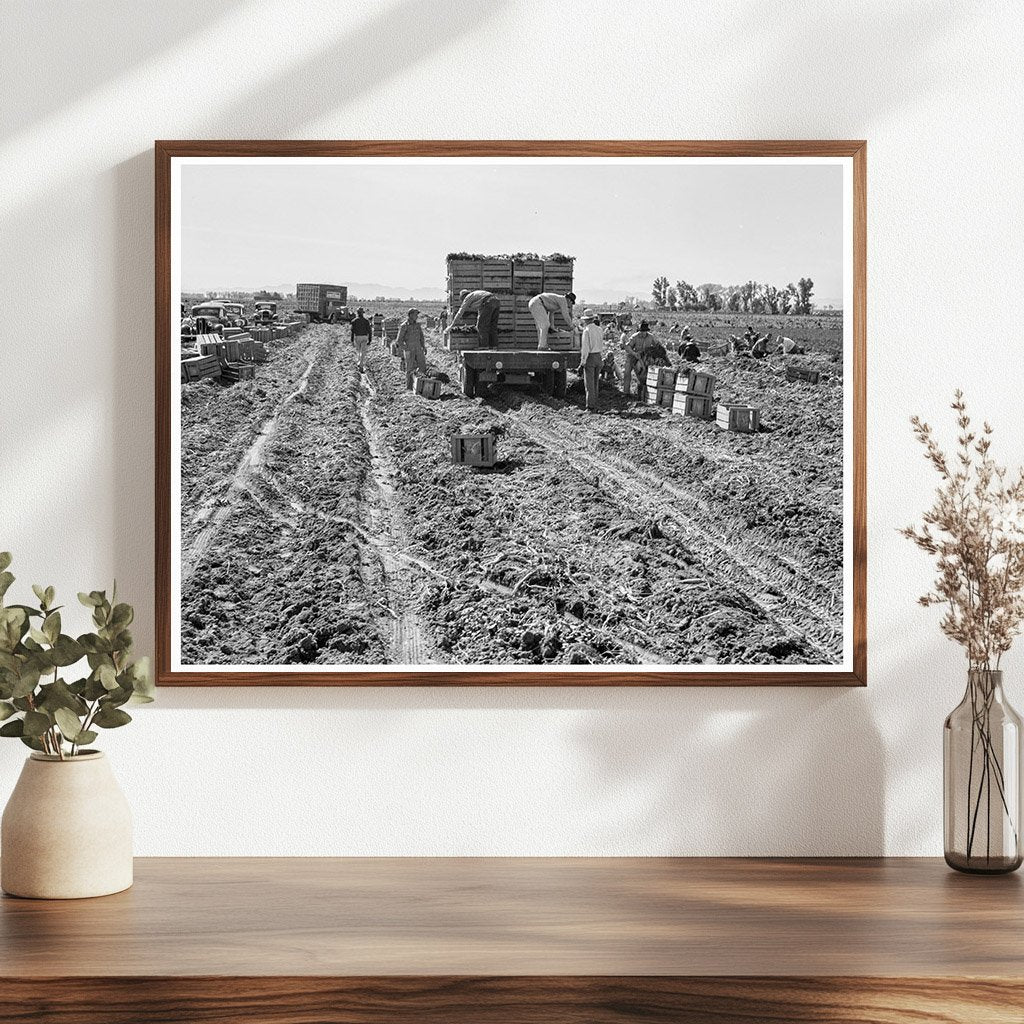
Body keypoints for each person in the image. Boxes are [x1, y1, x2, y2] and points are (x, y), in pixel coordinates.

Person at [577, 310, 605, 411]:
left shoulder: (587, 331)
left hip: (590, 357)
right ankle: (595, 404)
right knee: (595, 383)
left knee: (589, 384)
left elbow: (585, 348)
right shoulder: (599, 329)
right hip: (599, 356)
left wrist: (582, 362)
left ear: (585, 320)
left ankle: (590, 406)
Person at [624, 321, 655, 401]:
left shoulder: (651, 337)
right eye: (641, 331)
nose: (643, 333)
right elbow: (628, 347)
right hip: (632, 356)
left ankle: (641, 393)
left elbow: (657, 346)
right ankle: (626, 393)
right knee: (627, 373)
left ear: (647, 331)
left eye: (644, 331)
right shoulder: (635, 336)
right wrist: (634, 353)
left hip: (643, 357)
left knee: (642, 375)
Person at [397, 308, 426, 389]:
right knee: (410, 368)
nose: (417, 316)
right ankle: (409, 387)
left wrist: (423, 346)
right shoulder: (404, 326)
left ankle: (420, 386)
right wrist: (406, 349)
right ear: (410, 315)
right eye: (415, 314)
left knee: (422, 366)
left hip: (418, 349)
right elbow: (399, 340)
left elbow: (421, 336)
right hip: (409, 349)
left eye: (417, 314)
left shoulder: (417, 325)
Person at [350, 307, 371, 371]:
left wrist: (352, 340)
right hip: (364, 337)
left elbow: (352, 331)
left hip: (357, 337)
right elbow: (369, 331)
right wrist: (370, 339)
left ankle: (359, 362)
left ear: (357, 313)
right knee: (363, 351)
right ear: (362, 313)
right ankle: (361, 365)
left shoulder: (354, 321)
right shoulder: (366, 321)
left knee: (358, 351)